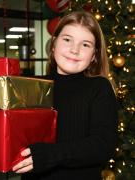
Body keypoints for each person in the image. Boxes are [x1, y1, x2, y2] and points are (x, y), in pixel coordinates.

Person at [12, 11, 118, 180]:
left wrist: (51, 155)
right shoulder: (32, 85)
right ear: (53, 44)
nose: (74, 50)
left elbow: (102, 145)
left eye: (85, 45)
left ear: (94, 56)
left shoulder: (99, 87)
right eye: (67, 39)